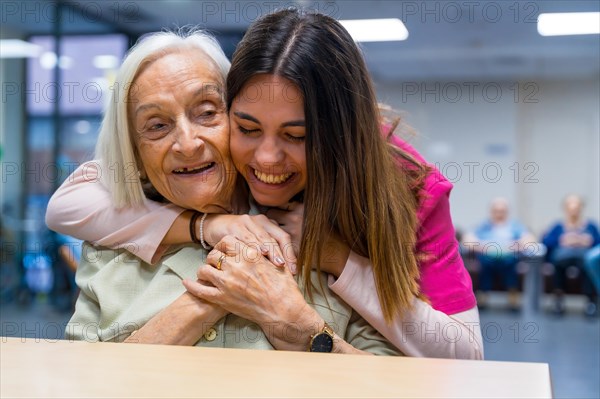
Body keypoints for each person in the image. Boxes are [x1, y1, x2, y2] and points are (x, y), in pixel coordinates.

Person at [48, 10, 483, 358]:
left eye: (296, 136)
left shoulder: (381, 202)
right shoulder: (116, 231)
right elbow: (65, 205)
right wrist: (212, 243)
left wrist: (328, 271)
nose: (266, 158)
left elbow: (459, 362)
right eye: (249, 128)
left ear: (338, 140)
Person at [463, 198, 535, 311]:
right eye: (496, 211)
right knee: (485, 263)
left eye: (502, 211)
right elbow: (467, 240)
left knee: (510, 263)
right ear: (491, 212)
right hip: (487, 255)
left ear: (507, 212)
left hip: (509, 256)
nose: (499, 214)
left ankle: (513, 296)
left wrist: (517, 245)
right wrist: (483, 247)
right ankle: (482, 295)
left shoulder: (515, 226)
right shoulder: (484, 226)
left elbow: (530, 239)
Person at [542, 194, 600, 316]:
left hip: (583, 257)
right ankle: (558, 300)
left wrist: (588, 241)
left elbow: (597, 244)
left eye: (577, 208)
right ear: (565, 209)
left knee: (589, 266)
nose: (574, 211)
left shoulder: (591, 226)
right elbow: (546, 242)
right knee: (557, 265)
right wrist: (561, 240)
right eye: (571, 207)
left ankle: (591, 302)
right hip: (562, 258)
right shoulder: (558, 226)